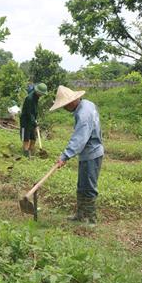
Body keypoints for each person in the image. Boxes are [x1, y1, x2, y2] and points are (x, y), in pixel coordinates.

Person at [50, 85, 104, 224]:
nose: (64, 108)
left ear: (71, 102)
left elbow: (80, 138)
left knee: (88, 187)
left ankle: (91, 220)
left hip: (91, 153)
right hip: (88, 152)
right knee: (82, 186)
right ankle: (80, 215)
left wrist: (65, 156)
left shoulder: (83, 114)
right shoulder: (87, 104)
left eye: (64, 105)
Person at [20, 83, 48, 158]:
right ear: (37, 91)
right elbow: (29, 113)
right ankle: (26, 154)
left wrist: (35, 121)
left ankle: (31, 151)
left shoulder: (36, 97)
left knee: (33, 138)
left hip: (32, 120)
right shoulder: (29, 98)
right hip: (25, 120)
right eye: (41, 93)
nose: (41, 95)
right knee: (26, 138)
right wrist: (35, 123)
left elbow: (34, 111)